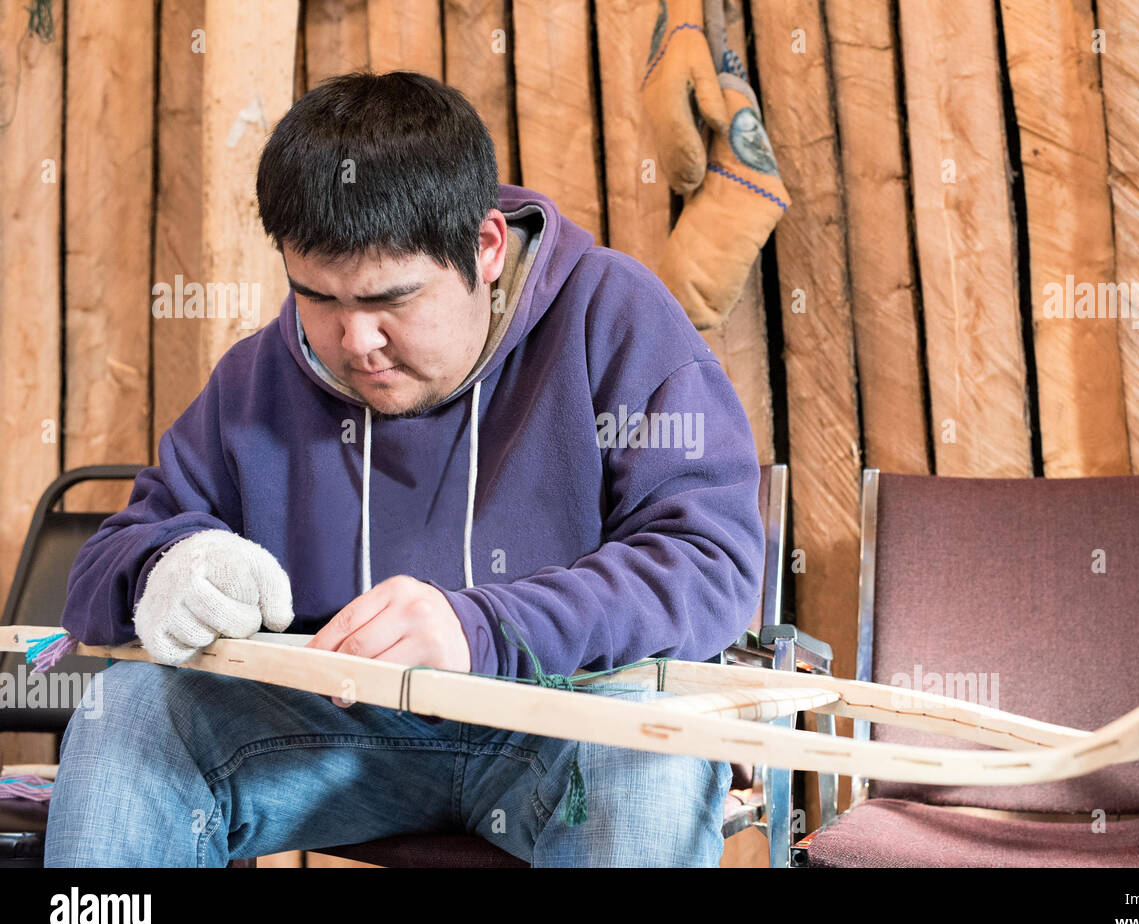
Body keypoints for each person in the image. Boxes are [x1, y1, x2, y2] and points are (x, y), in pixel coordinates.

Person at [43, 71, 765, 867]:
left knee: (652, 752)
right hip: (349, 735)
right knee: (132, 709)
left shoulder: (613, 317)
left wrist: (481, 628)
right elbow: (105, 563)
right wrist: (164, 567)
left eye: (392, 300)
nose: (357, 342)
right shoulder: (260, 377)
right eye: (318, 297)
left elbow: (711, 561)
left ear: (486, 248)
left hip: (567, 725)